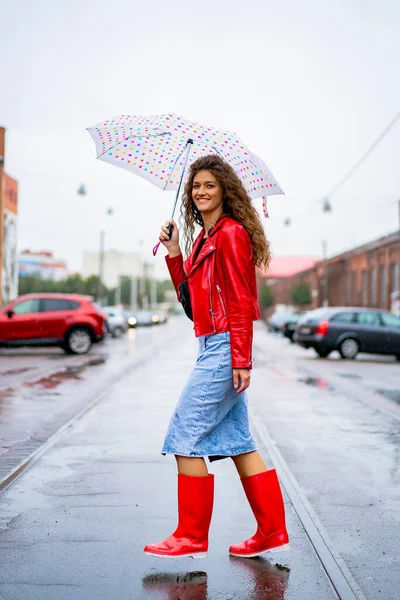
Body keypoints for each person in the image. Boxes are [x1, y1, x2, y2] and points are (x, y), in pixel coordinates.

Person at [144, 155, 289, 559]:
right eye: (196, 186)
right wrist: (175, 252)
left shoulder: (231, 234)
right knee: (237, 441)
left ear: (225, 189)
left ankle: (190, 535)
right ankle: (271, 530)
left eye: (209, 184)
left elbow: (242, 301)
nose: (201, 191)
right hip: (211, 342)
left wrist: (241, 358)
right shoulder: (207, 238)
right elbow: (191, 302)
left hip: (226, 346)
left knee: (184, 434)